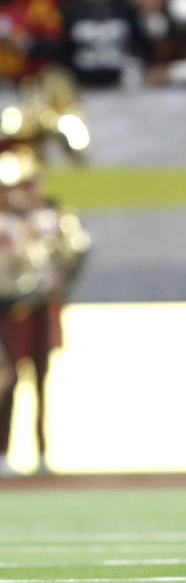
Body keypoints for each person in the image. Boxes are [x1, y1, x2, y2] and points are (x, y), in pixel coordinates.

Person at [0, 139, 89, 476]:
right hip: (9, 308)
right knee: (8, 378)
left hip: (42, 305)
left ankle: (42, 450)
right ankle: (4, 449)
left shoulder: (51, 218)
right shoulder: (7, 223)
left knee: (42, 378)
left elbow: (72, 255)